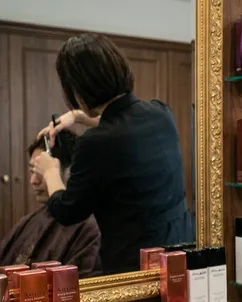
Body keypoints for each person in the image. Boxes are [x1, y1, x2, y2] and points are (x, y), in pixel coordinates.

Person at [31, 33, 194, 275]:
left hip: (134, 268)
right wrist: (77, 117)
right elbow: (124, 125)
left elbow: (67, 211)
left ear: (77, 89)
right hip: (183, 254)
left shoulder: (93, 144)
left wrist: (50, 171)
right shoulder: (161, 113)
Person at [0, 132, 102, 278]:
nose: (33, 181)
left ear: (71, 171)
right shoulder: (27, 222)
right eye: (32, 171)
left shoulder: (89, 228)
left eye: (41, 172)